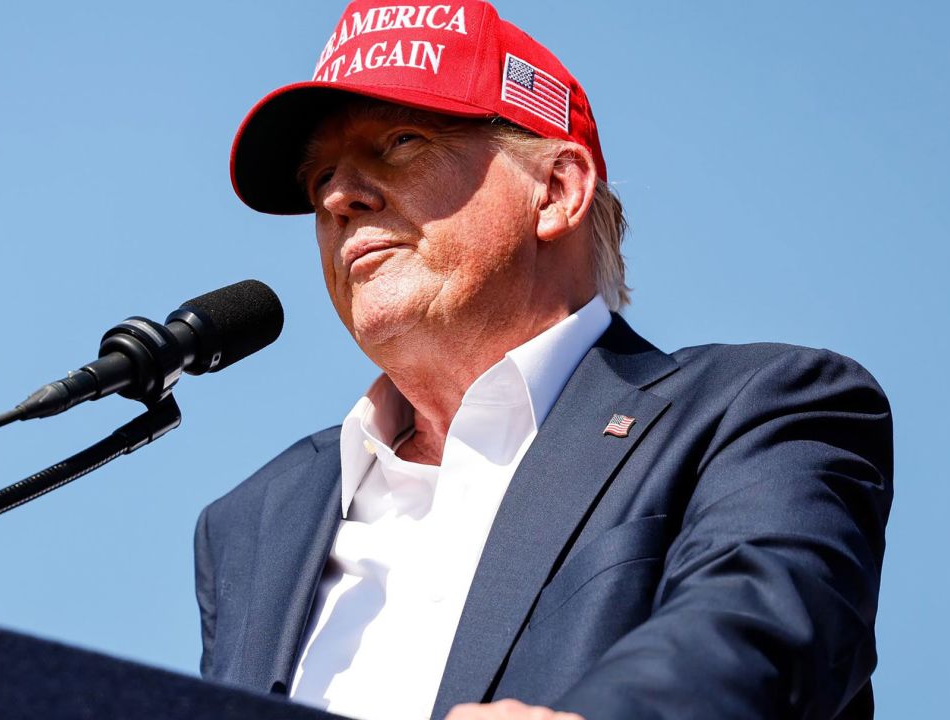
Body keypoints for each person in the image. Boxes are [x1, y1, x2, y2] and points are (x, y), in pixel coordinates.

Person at [194, 2, 893, 718]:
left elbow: (759, 630)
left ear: (556, 191)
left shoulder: (758, 407)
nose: (340, 197)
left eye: (401, 141)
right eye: (320, 181)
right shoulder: (254, 521)